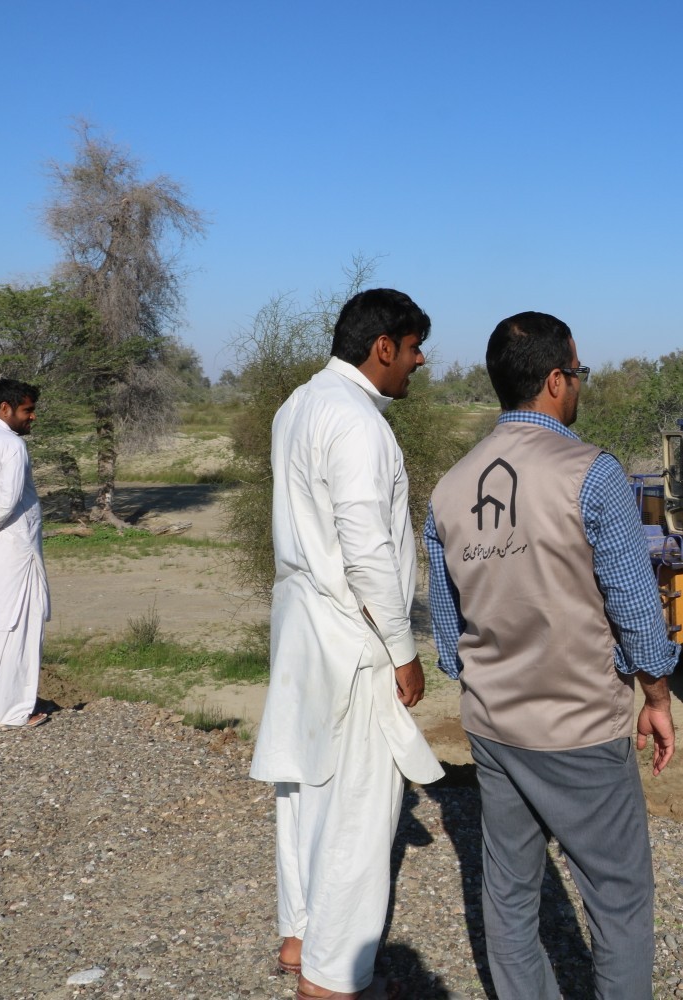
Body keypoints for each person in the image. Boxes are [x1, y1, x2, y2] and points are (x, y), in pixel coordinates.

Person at [425, 310, 676, 1000]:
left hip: (495, 729)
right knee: (618, 896)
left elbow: (448, 633)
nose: (579, 383)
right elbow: (633, 606)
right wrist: (656, 698)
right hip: (581, 729)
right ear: (558, 380)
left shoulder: (448, 488)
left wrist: (488, 683)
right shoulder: (589, 473)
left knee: (508, 892)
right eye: (579, 372)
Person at [248, 289, 444, 1000]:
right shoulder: (357, 423)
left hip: (302, 619)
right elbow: (365, 548)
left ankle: (301, 936)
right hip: (350, 625)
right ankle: (332, 980)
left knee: (303, 785)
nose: (420, 362)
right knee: (361, 803)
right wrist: (402, 648)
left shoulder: (298, 404)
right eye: (415, 347)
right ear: (383, 346)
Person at [0, 379, 49, 730]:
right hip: (15, 547)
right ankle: (11, 711)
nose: (32, 418)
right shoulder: (11, 444)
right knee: (17, 624)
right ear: (5, 409)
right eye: (27, 410)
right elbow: (5, 501)